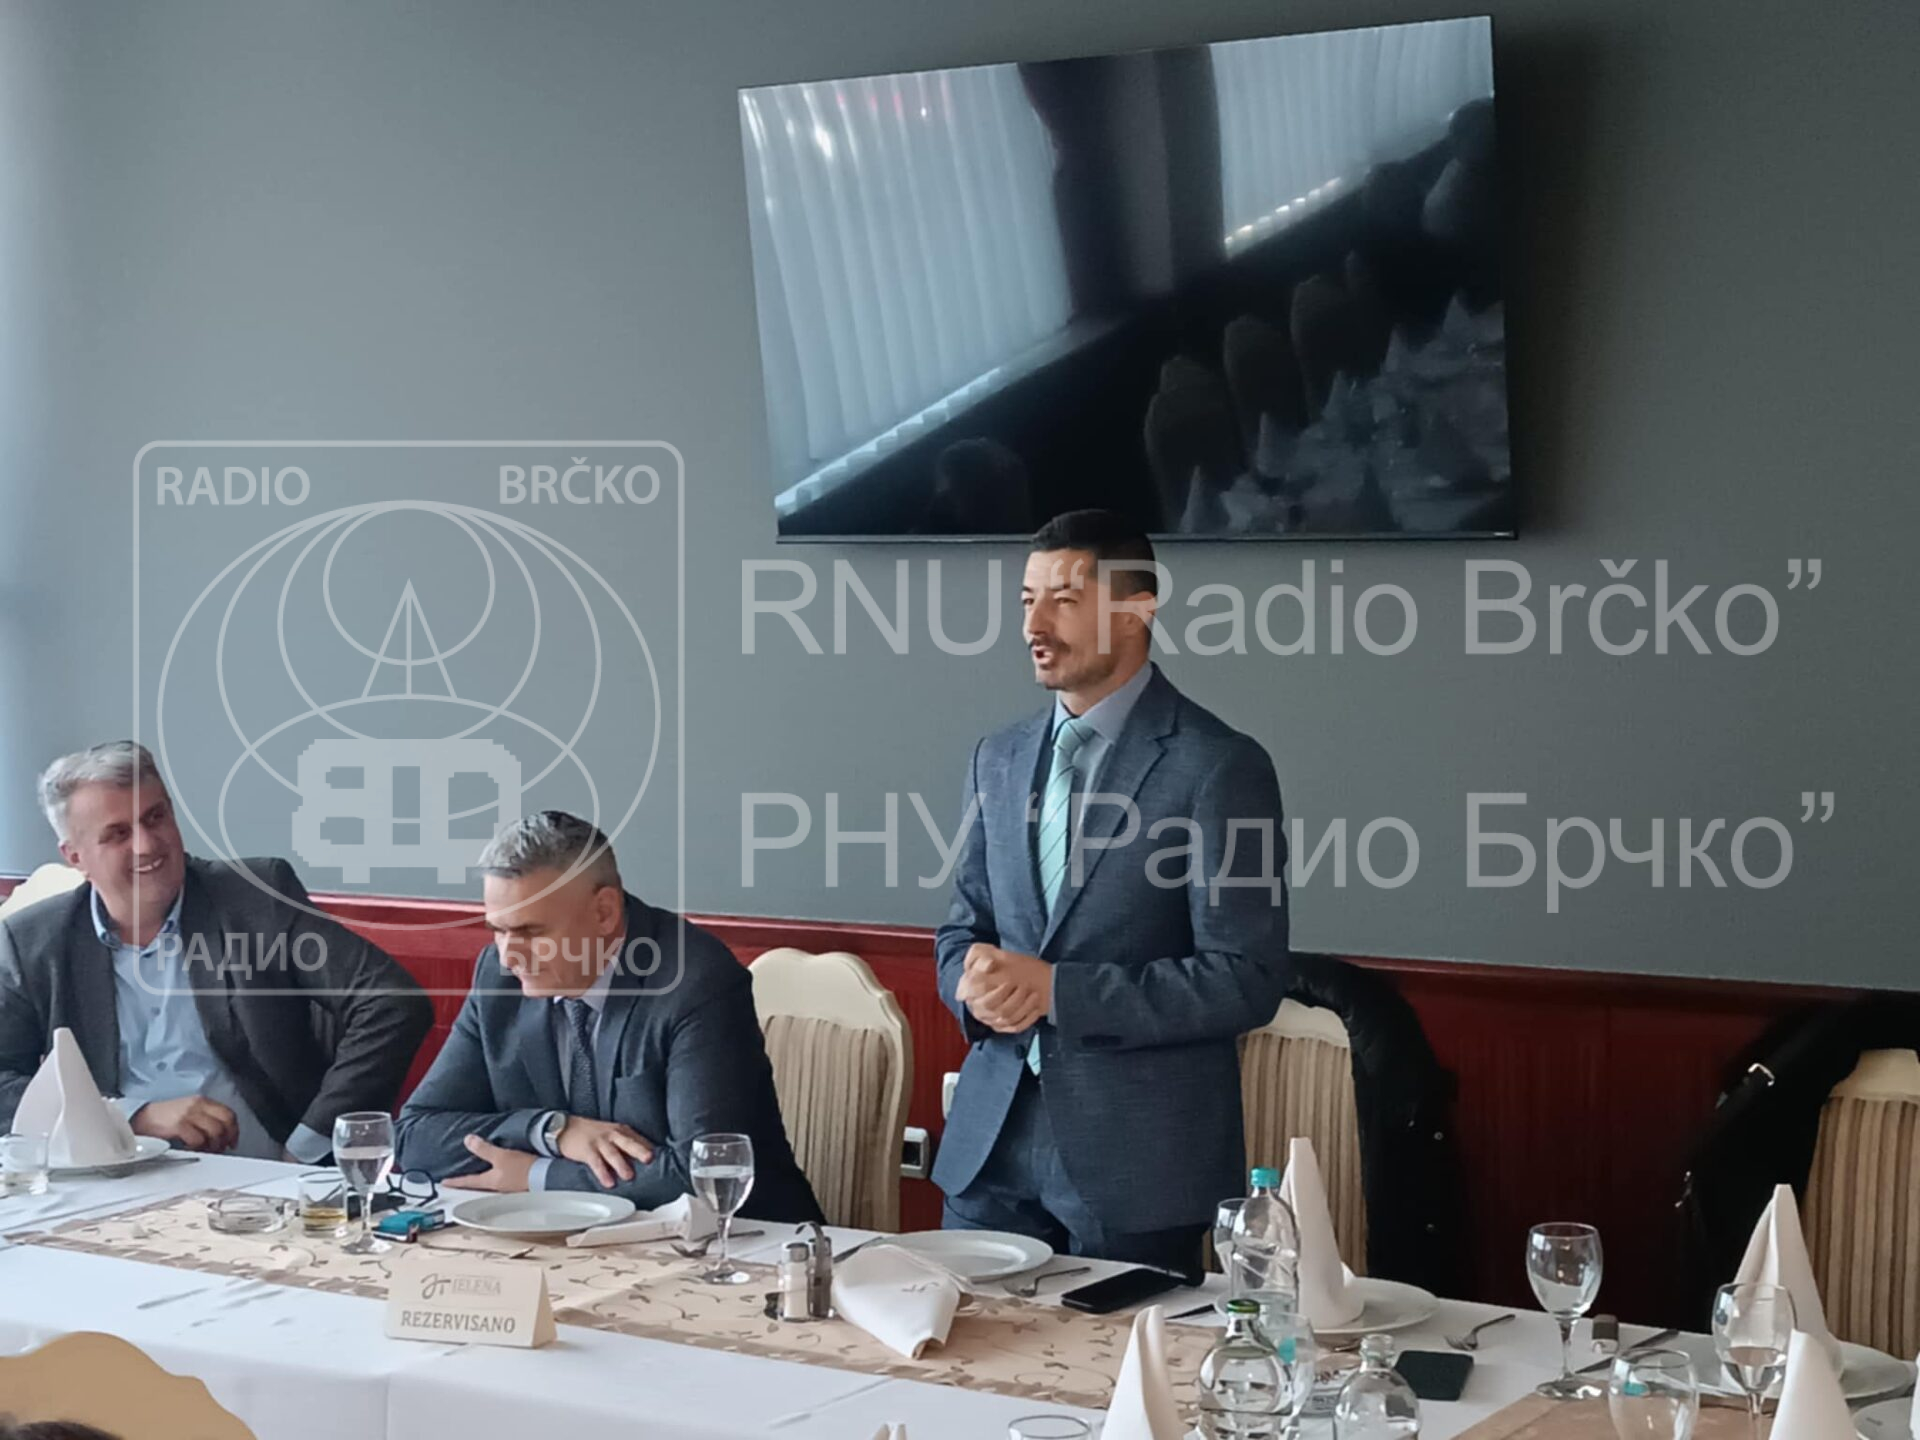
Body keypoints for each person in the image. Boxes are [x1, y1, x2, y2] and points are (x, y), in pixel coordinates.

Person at [933, 509, 1291, 1272]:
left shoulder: (1220, 767)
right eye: (1027, 599)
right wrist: (973, 984)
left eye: (1064, 600)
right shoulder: (997, 757)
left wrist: (1057, 991)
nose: (1034, 624)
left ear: (1136, 610)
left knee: (1119, 1357)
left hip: (1137, 1172)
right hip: (987, 1154)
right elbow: (961, 931)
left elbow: (1246, 978)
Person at [0, 742, 432, 1161]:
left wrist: (309, 1146)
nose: (147, 844)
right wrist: (129, 1117)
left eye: (156, 817)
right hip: (112, 1176)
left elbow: (392, 1001)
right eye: (118, 834)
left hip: (260, 1174)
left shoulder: (256, 898)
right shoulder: (33, 942)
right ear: (75, 857)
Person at [396, 811, 821, 1222]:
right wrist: (551, 1131)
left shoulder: (695, 983)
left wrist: (535, 1176)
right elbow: (416, 1135)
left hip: (742, 1245)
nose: (509, 957)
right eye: (497, 930)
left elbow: (702, 1174)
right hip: (564, 1245)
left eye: (531, 932)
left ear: (604, 912)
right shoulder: (498, 978)